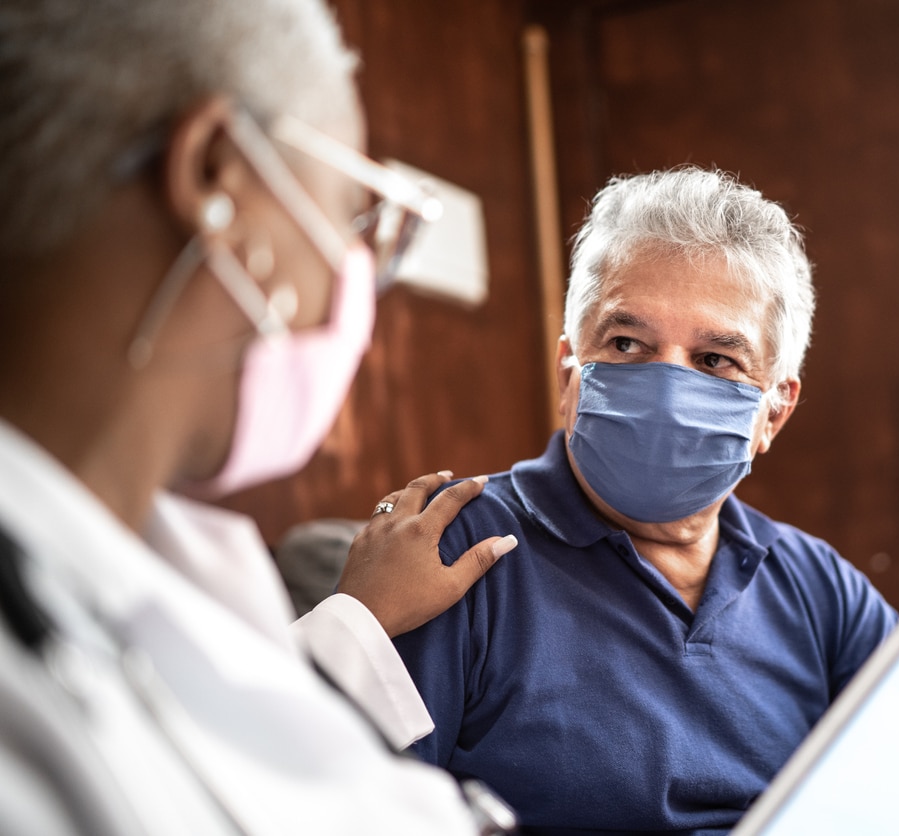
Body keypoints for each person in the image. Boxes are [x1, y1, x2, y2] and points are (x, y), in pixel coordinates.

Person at [0, 1, 518, 833]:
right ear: (217, 176)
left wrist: (356, 620)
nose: (352, 279)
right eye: (350, 214)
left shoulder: (159, 563)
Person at [394, 168, 899, 834]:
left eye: (717, 360)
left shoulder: (818, 588)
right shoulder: (457, 551)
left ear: (773, 412)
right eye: (627, 344)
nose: (665, 389)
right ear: (569, 373)